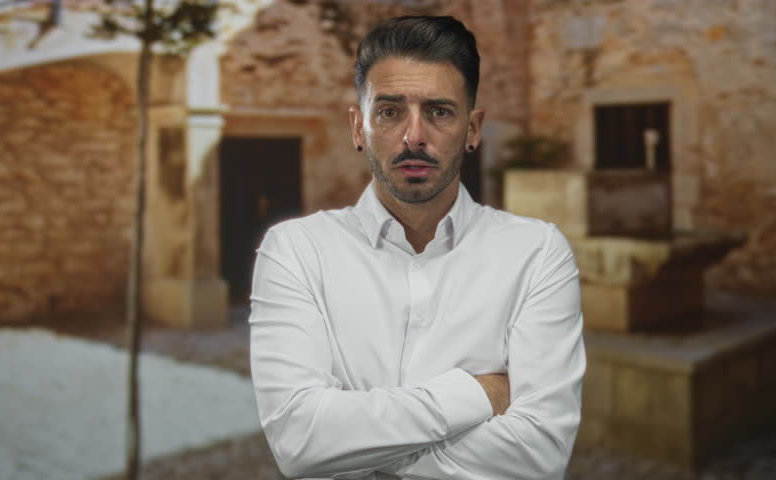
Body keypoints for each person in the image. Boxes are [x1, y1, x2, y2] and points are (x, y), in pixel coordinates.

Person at [249, 15, 585, 480]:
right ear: (358, 128)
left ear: (472, 129)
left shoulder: (536, 253)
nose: (414, 137)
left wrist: (356, 453)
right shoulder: (296, 252)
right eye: (389, 111)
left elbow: (540, 454)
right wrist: (479, 394)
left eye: (439, 112)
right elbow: (298, 441)